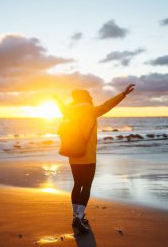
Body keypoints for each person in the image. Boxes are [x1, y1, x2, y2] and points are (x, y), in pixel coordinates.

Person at [54, 84, 135, 233]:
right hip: (88, 156)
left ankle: (75, 217)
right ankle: (79, 217)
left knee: (77, 184)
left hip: (73, 154)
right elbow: (108, 105)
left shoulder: (69, 112)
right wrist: (123, 94)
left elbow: (61, 106)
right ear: (86, 98)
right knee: (87, 186)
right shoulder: (92, 111)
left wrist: (55, 97)